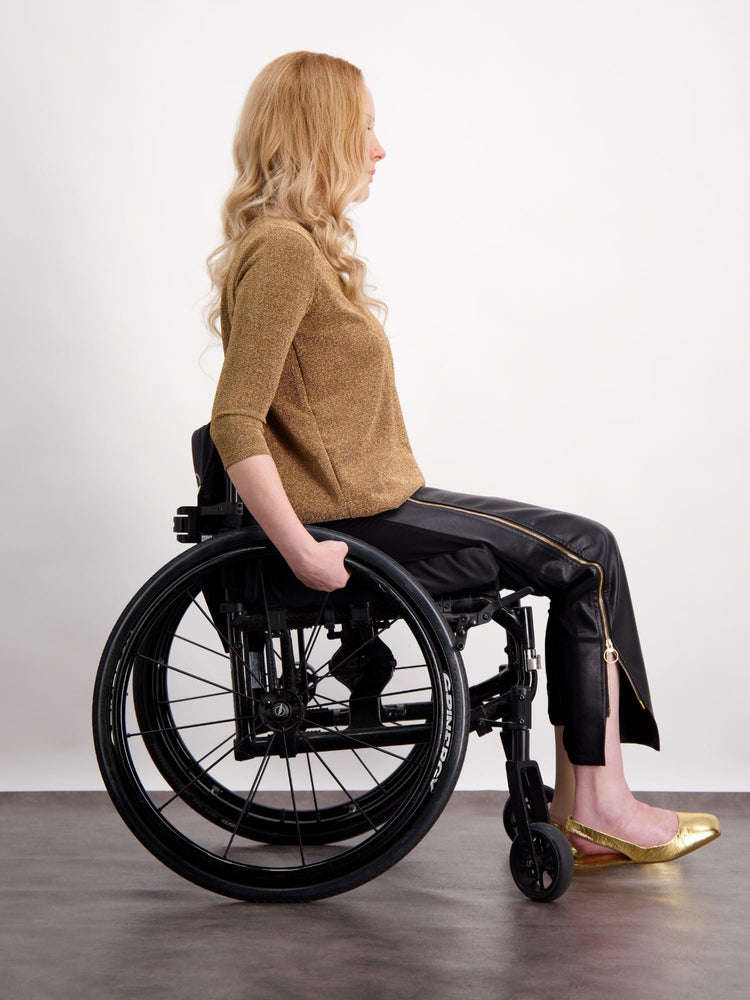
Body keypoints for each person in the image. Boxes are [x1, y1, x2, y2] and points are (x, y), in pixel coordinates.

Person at [206, 50, 720, 871]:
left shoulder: (291, 245)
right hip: (351, 522)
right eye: (366, 128)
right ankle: (598, 805)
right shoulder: (284, 251)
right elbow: (235, 420)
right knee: (586, 556)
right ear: (323, 137)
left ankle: (588, 800)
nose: (380, 149)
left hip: (376, 502)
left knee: (584, 546)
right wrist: (301, 551)